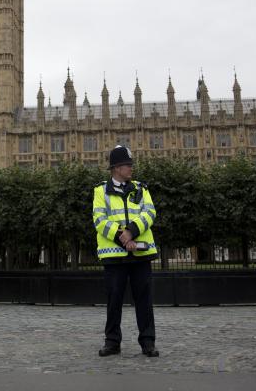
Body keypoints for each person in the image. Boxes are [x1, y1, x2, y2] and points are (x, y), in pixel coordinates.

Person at [92, 145, 159, 357]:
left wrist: (131, 231)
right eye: (127, 165)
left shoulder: (141, 188)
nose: (131, 168)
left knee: (144, 301)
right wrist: (123, 239)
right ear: (116, 168)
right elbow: (99, 220)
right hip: (114, 255)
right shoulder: (100, 191)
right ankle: (112, 342)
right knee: (114, 301)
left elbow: (150, 213)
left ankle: (148, 342)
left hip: (140, 254)